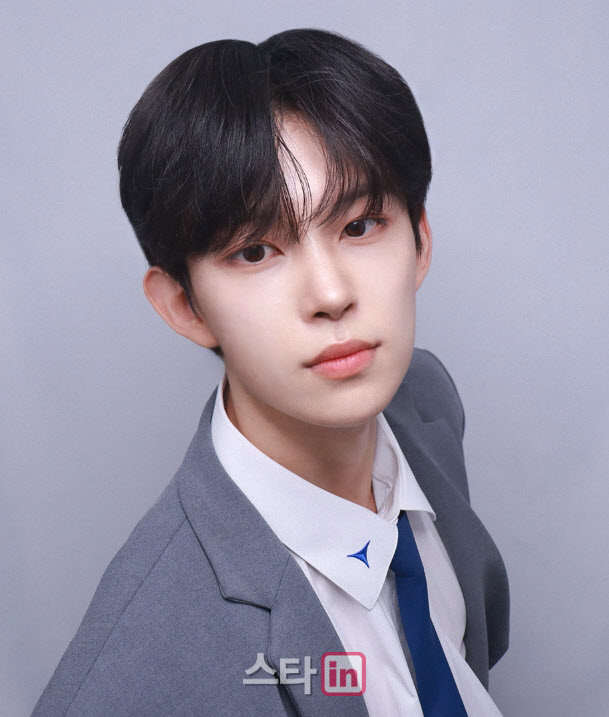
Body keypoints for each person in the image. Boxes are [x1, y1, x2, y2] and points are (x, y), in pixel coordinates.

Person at [32, 28, 509, 716]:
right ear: (184, 305)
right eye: (255, 251)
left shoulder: (425, 405)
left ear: (420, 241)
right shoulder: (135, 678)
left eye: (360, 225)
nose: (330, 293)